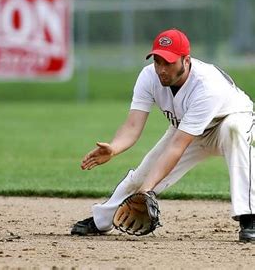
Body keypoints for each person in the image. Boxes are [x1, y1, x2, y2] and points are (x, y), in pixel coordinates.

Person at [71, 28, 255, 242]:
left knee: (234, 131)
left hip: (228, 121)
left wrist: (147, 191)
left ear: (186, 60)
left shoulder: (207, 86)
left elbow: (178, 145)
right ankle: (102, 220)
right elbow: (132, 126)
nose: (161, 69)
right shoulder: (149, 76)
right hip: (187, 128)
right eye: (158, 61)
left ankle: (249, 216)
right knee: (141, 176)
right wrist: (114, 148)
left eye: (169, 62)